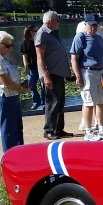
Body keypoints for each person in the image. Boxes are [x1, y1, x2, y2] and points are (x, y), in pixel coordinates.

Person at [0, 31, 30, 152]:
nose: (10, 48)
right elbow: (5, 82)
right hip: (5, 96)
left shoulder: (3, 57)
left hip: (12, 95)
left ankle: (19, 153)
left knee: (17, 127)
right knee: (9, 130)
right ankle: (8, 158)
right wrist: (22, 90)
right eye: (7, 46)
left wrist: (20, 85)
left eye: (11, 45)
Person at [70, 14, 103, 141]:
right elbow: (74, 58)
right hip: (87, 72)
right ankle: (88, 131)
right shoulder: (80, 37)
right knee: (88, 102)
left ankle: (102, 129)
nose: (93, 27)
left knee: (101, 102)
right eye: (90, 25)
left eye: (95, 25)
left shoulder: (99, 38)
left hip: (100, 72)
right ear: (86, 24)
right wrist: (78, 76)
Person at [36, 11, 72, 140]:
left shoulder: (52, 34)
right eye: (58, 20)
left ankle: (58, 129)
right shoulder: (43, 33)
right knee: (52, 102)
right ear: (51, 21)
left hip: (58, 73)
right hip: (50, 74)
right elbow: (39, 56)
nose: (59, 22)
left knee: (60, 101)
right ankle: (49, 130)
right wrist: (46, 75)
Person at [20, 24, 43, 110]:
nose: (37, 32)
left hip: (41, 66)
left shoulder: (39, 41)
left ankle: (44, 102)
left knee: (43, 85)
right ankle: (36, 102)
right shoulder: (25, 43)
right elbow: (24, 56)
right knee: (31, 85)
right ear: (30, 32)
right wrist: (26, 67)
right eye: (35, 31)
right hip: (32, 67)